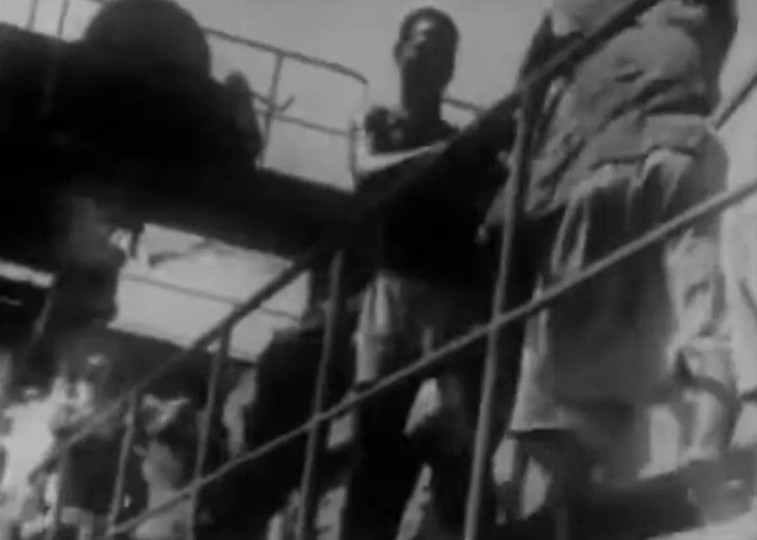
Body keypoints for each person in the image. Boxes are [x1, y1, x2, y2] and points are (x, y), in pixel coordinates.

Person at [485, 0, 739, 531]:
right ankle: (705, 438)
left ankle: (553, 469)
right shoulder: (710, 14)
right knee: (696, 300)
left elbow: (534, 80)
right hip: (682, 146)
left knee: (560, 346)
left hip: (603, 162)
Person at [340, 7, 505, 540]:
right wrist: (450, 155)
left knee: (459, 469)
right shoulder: (376, 123)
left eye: (445, 51)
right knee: (378, 463)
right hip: (392, 309)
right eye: (423, 44)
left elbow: (497, 208)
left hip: (452, 316)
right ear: (399, 51)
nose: (434, 58)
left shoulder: (471, 148)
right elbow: (367, 174)